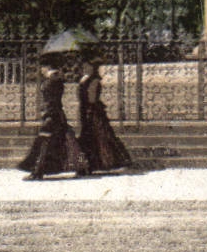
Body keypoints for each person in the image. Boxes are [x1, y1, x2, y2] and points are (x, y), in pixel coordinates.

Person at [18, 41, 88, 181]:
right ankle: (82, 166)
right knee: (69, 141)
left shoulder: (51, 81)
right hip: (57, 115)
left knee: (45, 143)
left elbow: (50, 101)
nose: (41, 71)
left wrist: (47, 115)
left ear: (46, 67)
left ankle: (38, 171)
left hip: (52, 115)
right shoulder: (56, 79)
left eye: (42, 67)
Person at [76, 59, 132, 172]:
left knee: (97, 136)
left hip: (93, 112)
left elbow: (92, 98)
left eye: (88, 66)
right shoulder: (84, 79)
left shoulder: (95, 81)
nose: (85, 68)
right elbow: (79, 96)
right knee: (87, 137)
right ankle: (88, 163)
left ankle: (100, 163)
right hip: (85, 110)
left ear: (93, 68)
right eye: (84, 66)